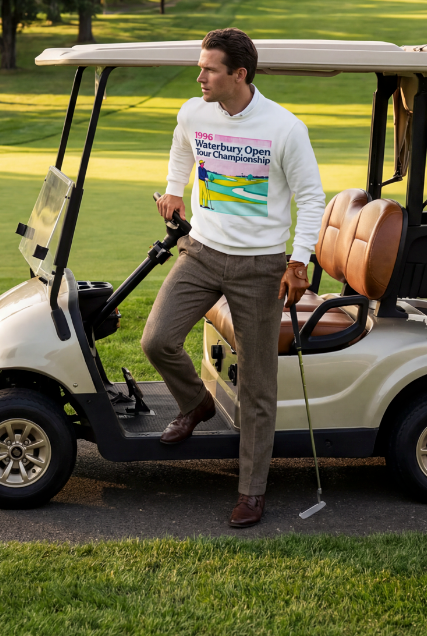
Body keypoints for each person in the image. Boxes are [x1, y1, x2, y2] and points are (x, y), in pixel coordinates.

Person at [141, 27, 325, 528]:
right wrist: (174, 189)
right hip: (200, 251)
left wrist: (298, 260)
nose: (199, 76)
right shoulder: (193, 111)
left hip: (260, 266)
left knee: (259, 388)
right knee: (156, 340)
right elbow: (183, 147)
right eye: (200, 66)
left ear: (238, 75)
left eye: (209, 69)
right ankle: (196, 403)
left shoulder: (285, 128)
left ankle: (251, 492)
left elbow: (311, 199)